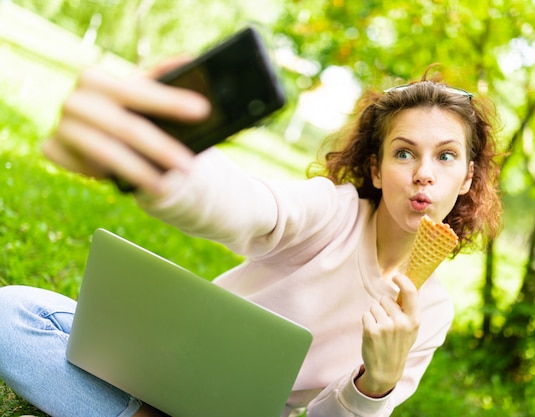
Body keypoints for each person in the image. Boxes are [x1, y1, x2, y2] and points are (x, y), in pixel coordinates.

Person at [0, 60, 501, 417]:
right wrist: (160, 164)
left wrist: (378, 383)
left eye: (446, 156)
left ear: (466, 176)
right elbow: (249, 206)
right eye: (404, 153)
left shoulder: (430, 313)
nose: (424, 175)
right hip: (167, 357)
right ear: (375, 166)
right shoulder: (333, 212)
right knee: (12, 313)